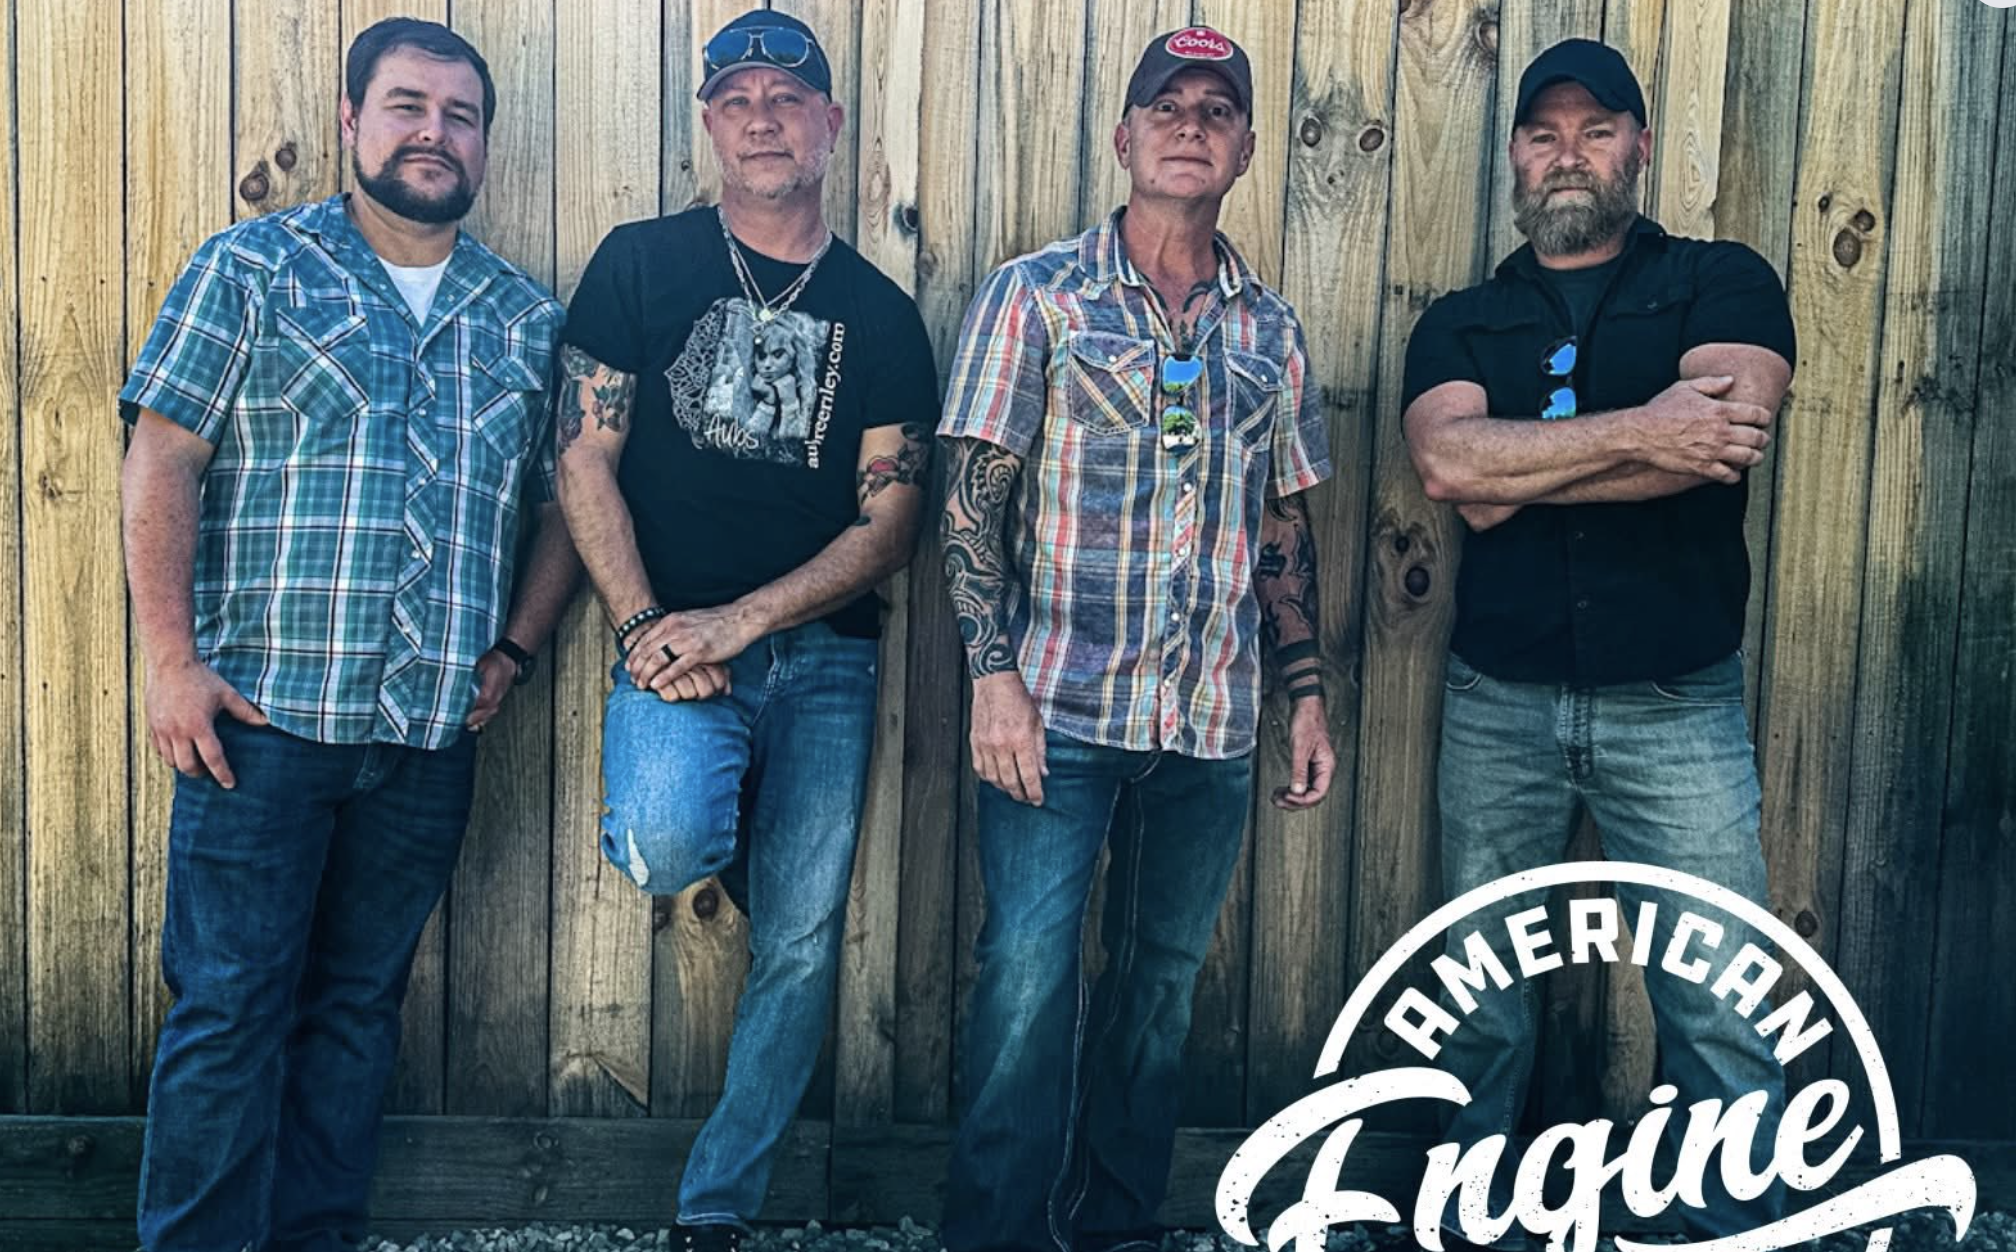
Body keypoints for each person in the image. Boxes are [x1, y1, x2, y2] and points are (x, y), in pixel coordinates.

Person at [119, 18, 578, 1251]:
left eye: (461, 116)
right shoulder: (254, 268)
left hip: (426, 741)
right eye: (408, 106)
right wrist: (171, 663)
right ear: (351, 120)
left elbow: (564, 505)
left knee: (358, 1013)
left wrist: (515, 650)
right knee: (228, 1010)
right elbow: (162, 457)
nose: (435, 133)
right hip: (260, 723)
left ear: (483, 143)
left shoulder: (522, 318)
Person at [937, 27, 1336, 1252]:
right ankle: (998, 1235)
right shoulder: (1037, 296)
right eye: (1167, 105)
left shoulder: (1270, 331)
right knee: (1026, 981)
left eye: (1217, 109)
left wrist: (1305, 690)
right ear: (1123, 137)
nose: (1190, 125)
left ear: (1247, 149)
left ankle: (1111, 1223)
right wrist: (991, 677)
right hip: (1055, 709)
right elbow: (970, 501)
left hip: (1210, 718)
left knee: (1161, 986)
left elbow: (1282, 527)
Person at [1399, 38, 1797, 1250]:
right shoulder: (1463, 319)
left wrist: (1524, 464)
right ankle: (1475, 1224)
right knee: (1477, 996)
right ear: (1516, 159)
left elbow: (1723, 437)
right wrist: (1645, 432)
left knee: (1720, 994)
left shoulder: (1722, 280)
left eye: (1595, 129)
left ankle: (1731, 1225)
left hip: (1675, 702)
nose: (1567, 152)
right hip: (1499, 703)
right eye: (1543, 133)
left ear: (1638, 147)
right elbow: (1449, 467)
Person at [552, 10, 938, 1249]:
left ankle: (718, 1199)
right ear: (710, 126)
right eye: (737, 99)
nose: (763, 117)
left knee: (804, 940)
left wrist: (742, 622)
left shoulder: (882, 316)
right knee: (669, 841)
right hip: (667, 646)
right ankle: (721, 809)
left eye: (788, 97)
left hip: (826, 660)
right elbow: (581, 456)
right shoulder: (640, 264)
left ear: (831, 124)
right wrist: (647, 623)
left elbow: (890, 524)